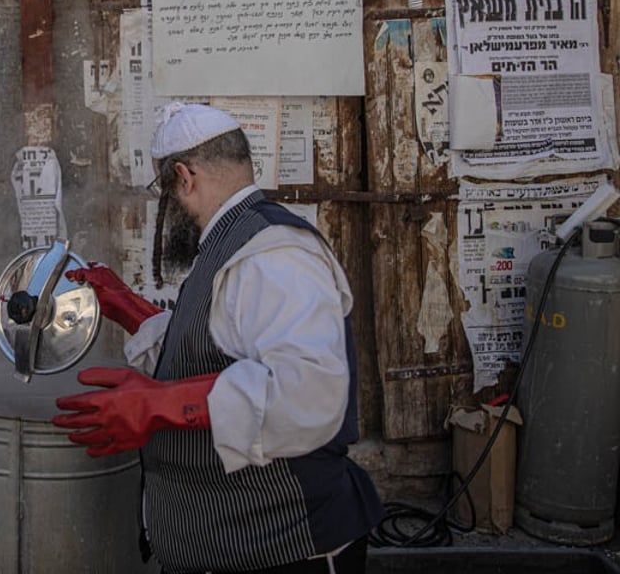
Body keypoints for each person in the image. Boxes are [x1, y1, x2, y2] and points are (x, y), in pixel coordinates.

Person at [53, 102, 383, 574]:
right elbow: (212, 347)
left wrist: (157, 404)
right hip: (227, 548)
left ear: (184, 177)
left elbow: (308, 391)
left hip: (284, 550)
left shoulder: (272, 254)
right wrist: (124, 305)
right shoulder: (232, 243)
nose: (165, 209)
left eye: (162, 192)